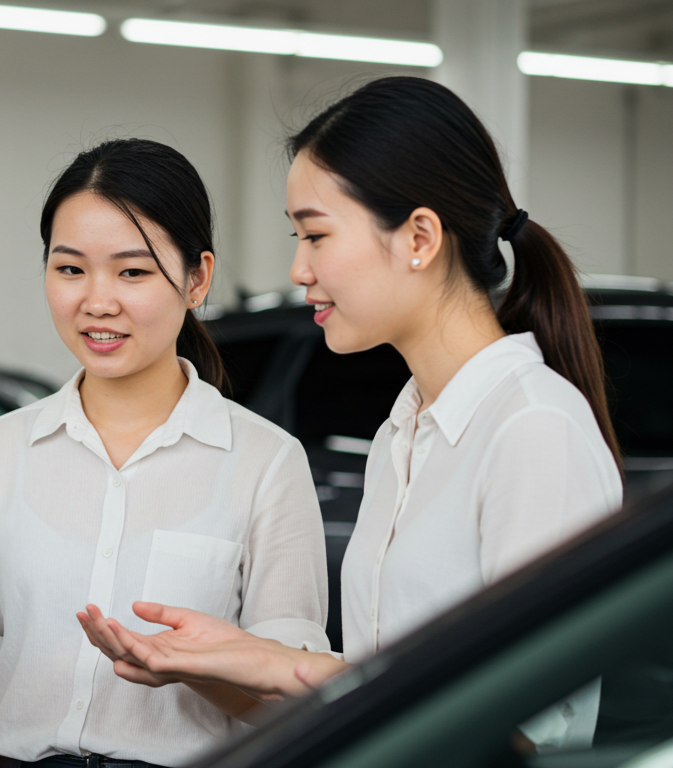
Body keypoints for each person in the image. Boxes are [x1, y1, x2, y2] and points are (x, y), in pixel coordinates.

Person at [79, 76, 623, 752]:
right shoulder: (404, 432)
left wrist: (291, 668)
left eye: (315, 235)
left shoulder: (533, 429)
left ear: (419, 237)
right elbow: (402, 677)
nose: (299, 268)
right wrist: (261, 660)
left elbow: (529, 725)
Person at [0, 138, 329, 768]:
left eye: (132, 271)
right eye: (70, 268)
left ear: (197, 278)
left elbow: (289, 698)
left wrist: (187, 667)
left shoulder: (266, 462)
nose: (97, 301)